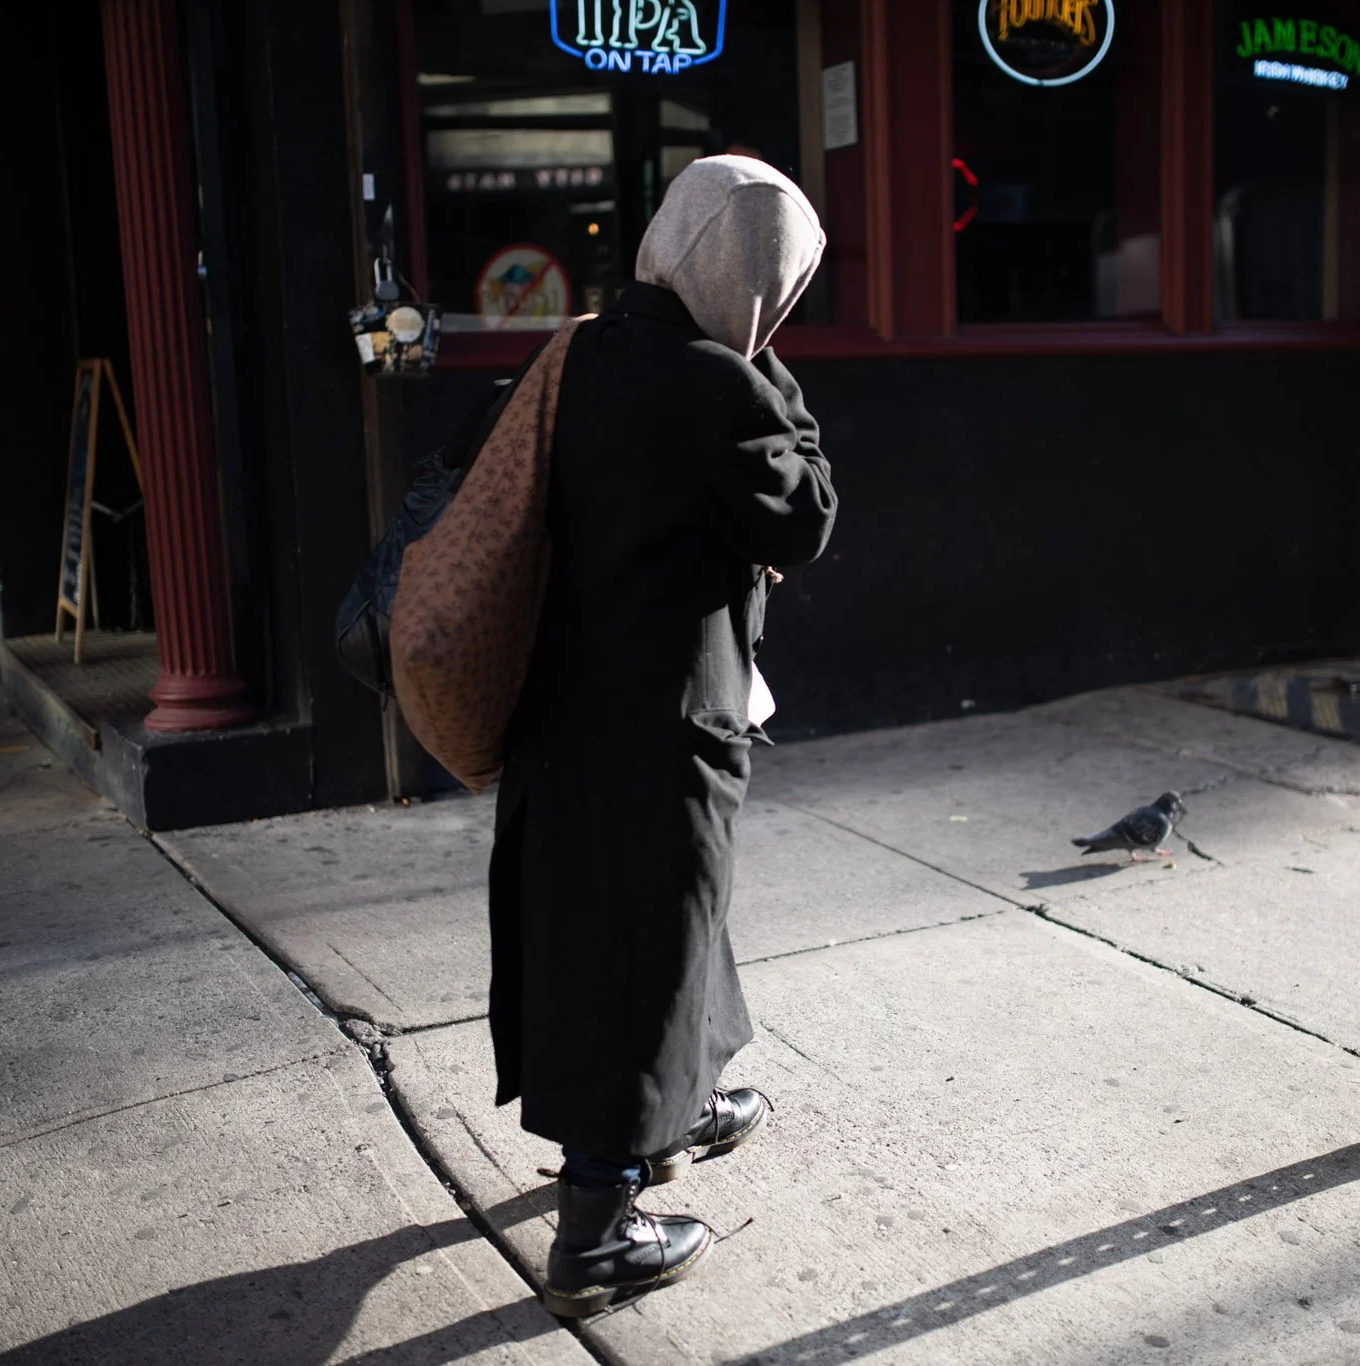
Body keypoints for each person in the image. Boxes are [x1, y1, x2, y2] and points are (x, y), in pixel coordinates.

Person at [487, 156, 836, 1317]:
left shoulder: (577, 351)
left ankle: (682, 1105)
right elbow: (804, 514)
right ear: (753, 283)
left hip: (556, 709)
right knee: (643, 951)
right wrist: (760, 364)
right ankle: (597, 1224)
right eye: (779, 291)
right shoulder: (715, 385)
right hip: (664, 719)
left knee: (656, 927)